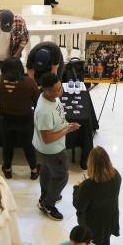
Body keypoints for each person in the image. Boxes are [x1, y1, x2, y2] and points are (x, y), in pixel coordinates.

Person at [33, 72, 80, 222]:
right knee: (61, 176)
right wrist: (67, 130)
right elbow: (47, 139)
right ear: (46, 91)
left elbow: (58, 118)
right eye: (58, 89)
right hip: (52, 150)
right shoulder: (44, 112)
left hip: (50, 148)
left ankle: (45, 196)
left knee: (47, 170)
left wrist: (65, 125)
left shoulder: (52, 98)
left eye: (61, 86)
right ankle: (48, 204)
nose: (62, 90)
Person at [0, 58, 41, 180]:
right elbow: (37, 101)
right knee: (28, 145)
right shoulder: (29, 83)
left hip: (5, 119)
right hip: (25, 119)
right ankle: (33, 170)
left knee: (7, 145)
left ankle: (7, 169)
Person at [72, 147, 121, 245]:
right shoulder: (117, 176)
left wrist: (76, 188)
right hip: (109, 219)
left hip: (92, 225)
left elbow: (79, 205)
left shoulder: (88, 186)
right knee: (105, 244)